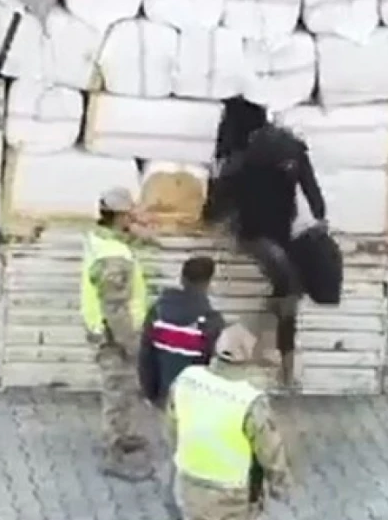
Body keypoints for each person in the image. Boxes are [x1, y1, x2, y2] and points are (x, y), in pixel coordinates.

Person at [203, 123, 327, 389]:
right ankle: (285, 365)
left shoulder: (250, 163)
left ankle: (271, 341)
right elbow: (312, 192)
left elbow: (313, 193)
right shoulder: (257, 164)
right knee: (289, 287)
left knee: (289, 289)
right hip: (255, 235)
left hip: (271, 232)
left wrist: (318, 218)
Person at [166, 324, 291, 520]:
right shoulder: (250, 400)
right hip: (229, 492)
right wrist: (279, 484)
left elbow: (173, 426)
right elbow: (269, 450)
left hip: (187, 482)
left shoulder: (186, 379)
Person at [138, 255, 226, 519]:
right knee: (191, 451)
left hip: (166, 395)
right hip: (197, 400)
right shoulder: (211, 322)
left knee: (173, 447)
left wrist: (150, 391)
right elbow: (216, 367)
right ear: (209, 282)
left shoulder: (158, 311)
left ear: (182, 278)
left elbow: (146, 355)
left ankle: (172, 498)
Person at [81, 186, 157, 482]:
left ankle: (122, 435)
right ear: (121, 215)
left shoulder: (100, 239)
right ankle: (113, 453)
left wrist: (141, 235)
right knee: (117, 392)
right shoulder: (114, 259)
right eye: (130, 212)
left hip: (105, 331)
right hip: (113, 337)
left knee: (121, 390)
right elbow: (115, 309)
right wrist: (132, 345)